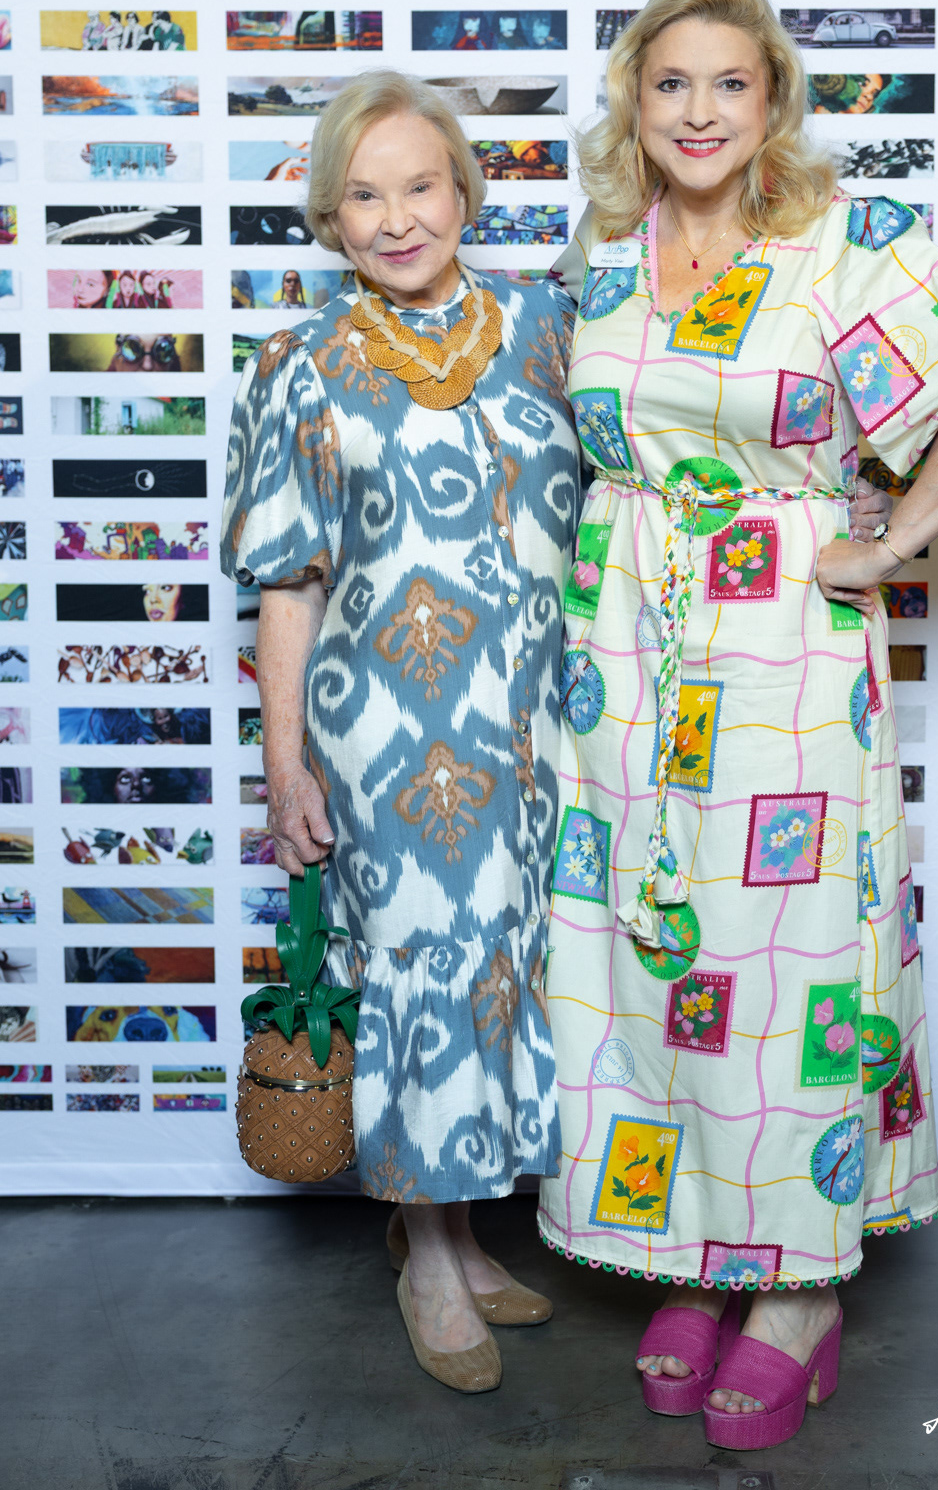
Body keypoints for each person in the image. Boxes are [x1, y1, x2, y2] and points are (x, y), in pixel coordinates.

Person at [537, 0, 938, 1450]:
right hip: (622, 655)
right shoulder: (601, 252)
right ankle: (688, 1254)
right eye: (670, 84)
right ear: (634, 104)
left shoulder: (843, 243)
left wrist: (890, 544)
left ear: (772, 100)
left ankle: (795, 1289)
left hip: (781, 655)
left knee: (788, 976)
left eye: (730, 82)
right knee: (646, 966)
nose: (699, 111)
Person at [218, 70, 585, 1396]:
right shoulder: (301, 365)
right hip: (385, 734)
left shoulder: (551, 328)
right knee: (425, 972)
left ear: (466, 191)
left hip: (543, 728)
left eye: (419, 185)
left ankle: (459, 1232)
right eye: (363, 196)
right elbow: (288, 583)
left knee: (504, 973)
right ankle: (429, 1260)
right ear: (331, 218)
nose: (396, 219)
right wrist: (284, 765)